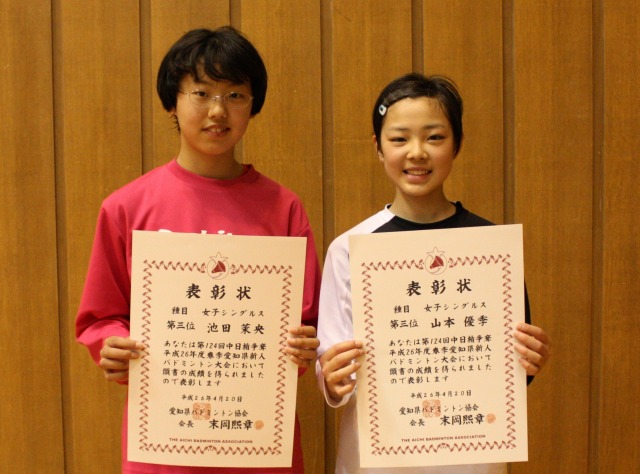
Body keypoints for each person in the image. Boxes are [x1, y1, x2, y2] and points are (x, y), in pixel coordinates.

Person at [76, 26, 320, 474]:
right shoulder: (126, 207)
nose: (217, 110)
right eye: (201, 93)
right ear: (172, 100)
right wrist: (110, 345)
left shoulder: (283, 208)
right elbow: (100, 317)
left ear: (253, 105)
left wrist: (304, 348)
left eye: (235, 95)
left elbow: (308, 322)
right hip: (164, 448)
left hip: (259, 445)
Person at [316, 73, 551, 474]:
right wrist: (333, 380)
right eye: (399, 138)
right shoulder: (348, 249)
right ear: (378, 147)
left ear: (456, 144)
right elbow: (335, 371)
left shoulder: (492, 247)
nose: (417, 152)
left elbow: (510, 368)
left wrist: (528, 360)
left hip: (473, 460)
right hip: (377, 463)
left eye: (435, 137)